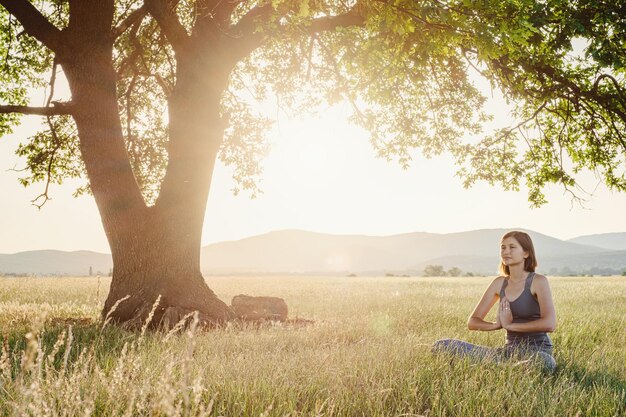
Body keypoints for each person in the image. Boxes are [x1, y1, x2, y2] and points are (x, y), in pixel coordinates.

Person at [432, 231, 557, 372]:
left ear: (526, 253)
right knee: (442, 345)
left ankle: (502, 369)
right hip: (507, 353)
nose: (506, 252)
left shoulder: (538, 281)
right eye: (503, 248)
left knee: (545, 362)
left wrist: (510, 325)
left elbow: (550, 324)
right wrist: (496, 325)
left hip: (537, 351)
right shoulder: (499, 283)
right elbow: (473, 322)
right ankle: (508, 369)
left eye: (512, 247)